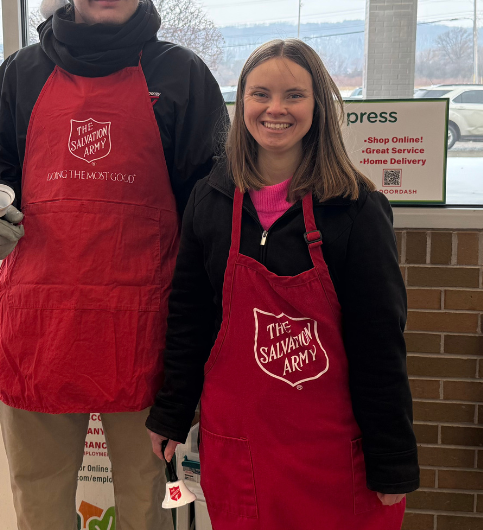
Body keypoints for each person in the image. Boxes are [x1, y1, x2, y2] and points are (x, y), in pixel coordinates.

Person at [0, 0, 228, 530]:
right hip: (40, 327)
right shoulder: (20, 75)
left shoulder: (182, 76)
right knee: (41, 502)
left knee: (149, 505)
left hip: (146, 330)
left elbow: (212, 202)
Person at [146, 39, 419, 529]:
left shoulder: (356, 210)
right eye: (260, 94)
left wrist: (392, 457)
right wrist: (171, 412)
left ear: (318, 107)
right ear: (241, 105)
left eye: (294, 95)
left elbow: (380, 344)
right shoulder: (209, 202)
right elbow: (190, 318)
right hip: (240, 449)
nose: (276, 109)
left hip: (334, 458)